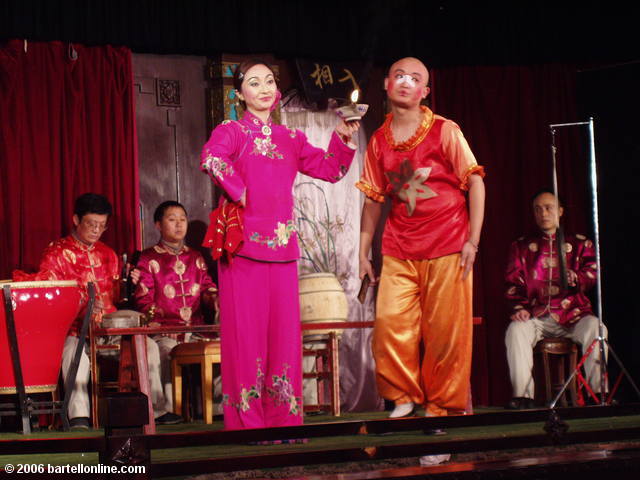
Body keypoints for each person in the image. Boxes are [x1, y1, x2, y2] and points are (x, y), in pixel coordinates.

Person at [200, 58, 359, 430]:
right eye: (254, 83)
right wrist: (237, 190)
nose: (265, 88)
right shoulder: (232, 130)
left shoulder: (290, 138)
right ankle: (246, 425)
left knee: (283, 341)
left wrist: (344, 139)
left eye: (269, 81)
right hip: (242, 252)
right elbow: (211, 157)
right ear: (240, 94)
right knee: (246, 341)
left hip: (283, 252)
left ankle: (282, 423)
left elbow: (330, 169)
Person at [357, 57, 485, 438]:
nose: (406, 83)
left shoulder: (445, 130)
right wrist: (363, 250)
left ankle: (441, 405)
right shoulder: (379, 139)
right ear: (385, 83)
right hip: (399, 245)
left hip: (448, 241)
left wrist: (472, 242)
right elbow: (373, 200)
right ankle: (402, 397)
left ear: (425, 91)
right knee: (390, 326)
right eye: (399, 76)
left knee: (445, 332)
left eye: (415, 79)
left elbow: (475, 182)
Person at [20, 193, 120, 429]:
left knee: (146, 348)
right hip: (72, 331)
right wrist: (83, 304)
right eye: (91, 224)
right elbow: (49, 300)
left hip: (106, 331)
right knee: (75, 354)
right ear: (76, 220)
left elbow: (114, 298)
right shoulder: (55, 253)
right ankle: (79, 417)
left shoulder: (109, 255)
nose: (96, 230)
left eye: (102, 226)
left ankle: (155, 412)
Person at [505, 189, 607, 409]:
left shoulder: (580, 244)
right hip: (537, 315)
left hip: (573, 315)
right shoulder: (521, 246)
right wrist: (519, 307)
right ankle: (523, 396)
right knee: (515, 330)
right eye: (538, 209)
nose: (544, 213)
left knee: (596, 328)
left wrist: (577, 278)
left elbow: (593, 273)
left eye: (549, 207)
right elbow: (514, 284)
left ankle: (597, 393)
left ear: (560, 211)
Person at [133, 200, 218, 424]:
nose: (179, 225)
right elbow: (142, 298)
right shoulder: (148, 258)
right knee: (164, 350)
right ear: (158, 225)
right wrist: (160, 324)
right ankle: (164, 411)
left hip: (198, 329)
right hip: (165, 331)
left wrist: (215, 299)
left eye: (182, 220)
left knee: (224, 347)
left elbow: (207, 288)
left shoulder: (196, 257)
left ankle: (218, 406)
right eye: (172, 220)